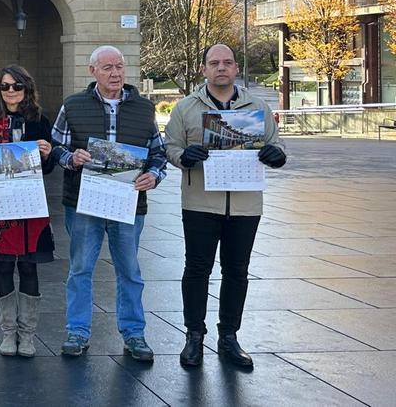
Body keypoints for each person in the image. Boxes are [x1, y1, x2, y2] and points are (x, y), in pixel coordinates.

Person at [166, 44, 286, 369]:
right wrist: (182, 157)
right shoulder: (186, 108)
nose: (221, 68)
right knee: (196, 269)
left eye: (227, 62)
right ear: (204, 69)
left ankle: (229, 338)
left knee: (236, 272)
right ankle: (194, 336)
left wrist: (277, 155)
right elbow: (171, 145)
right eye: (214, 63)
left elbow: (276, 143)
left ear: (236, 68)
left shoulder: (257, 107)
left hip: (246, 205)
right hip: (200, 203)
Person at [52, 45, 167, 363]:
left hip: (128, 201)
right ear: (93, 71)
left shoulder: (144, 108)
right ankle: (77, 331)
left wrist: (154, 175)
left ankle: (134, 334)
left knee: (129, 270)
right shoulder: (73, 106)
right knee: (80, 270)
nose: (115, 73)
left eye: (119, 66)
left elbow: (159, 152)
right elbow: (56, 148)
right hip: (83, 202)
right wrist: (71, 158)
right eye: (107, 68)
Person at [0, 66, 56, 358]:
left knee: (29, 266)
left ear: (26, 87)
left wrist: (47, 155)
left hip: (31, 204)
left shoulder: (40, 121)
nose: (11, 91)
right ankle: (8, 332)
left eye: (16, 85)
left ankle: (27, 334)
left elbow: (48, 167)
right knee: (4, 265)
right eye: (5, 86)